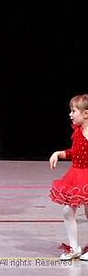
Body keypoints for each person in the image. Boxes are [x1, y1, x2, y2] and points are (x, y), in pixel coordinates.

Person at [48, 94, 88, 261]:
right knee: (67, 210)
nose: (70, 114)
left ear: (86, 114)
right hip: (76, 174)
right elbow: (76, 153)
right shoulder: (78, 132)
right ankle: (74, 247)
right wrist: (59, 153)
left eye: (73, 111)